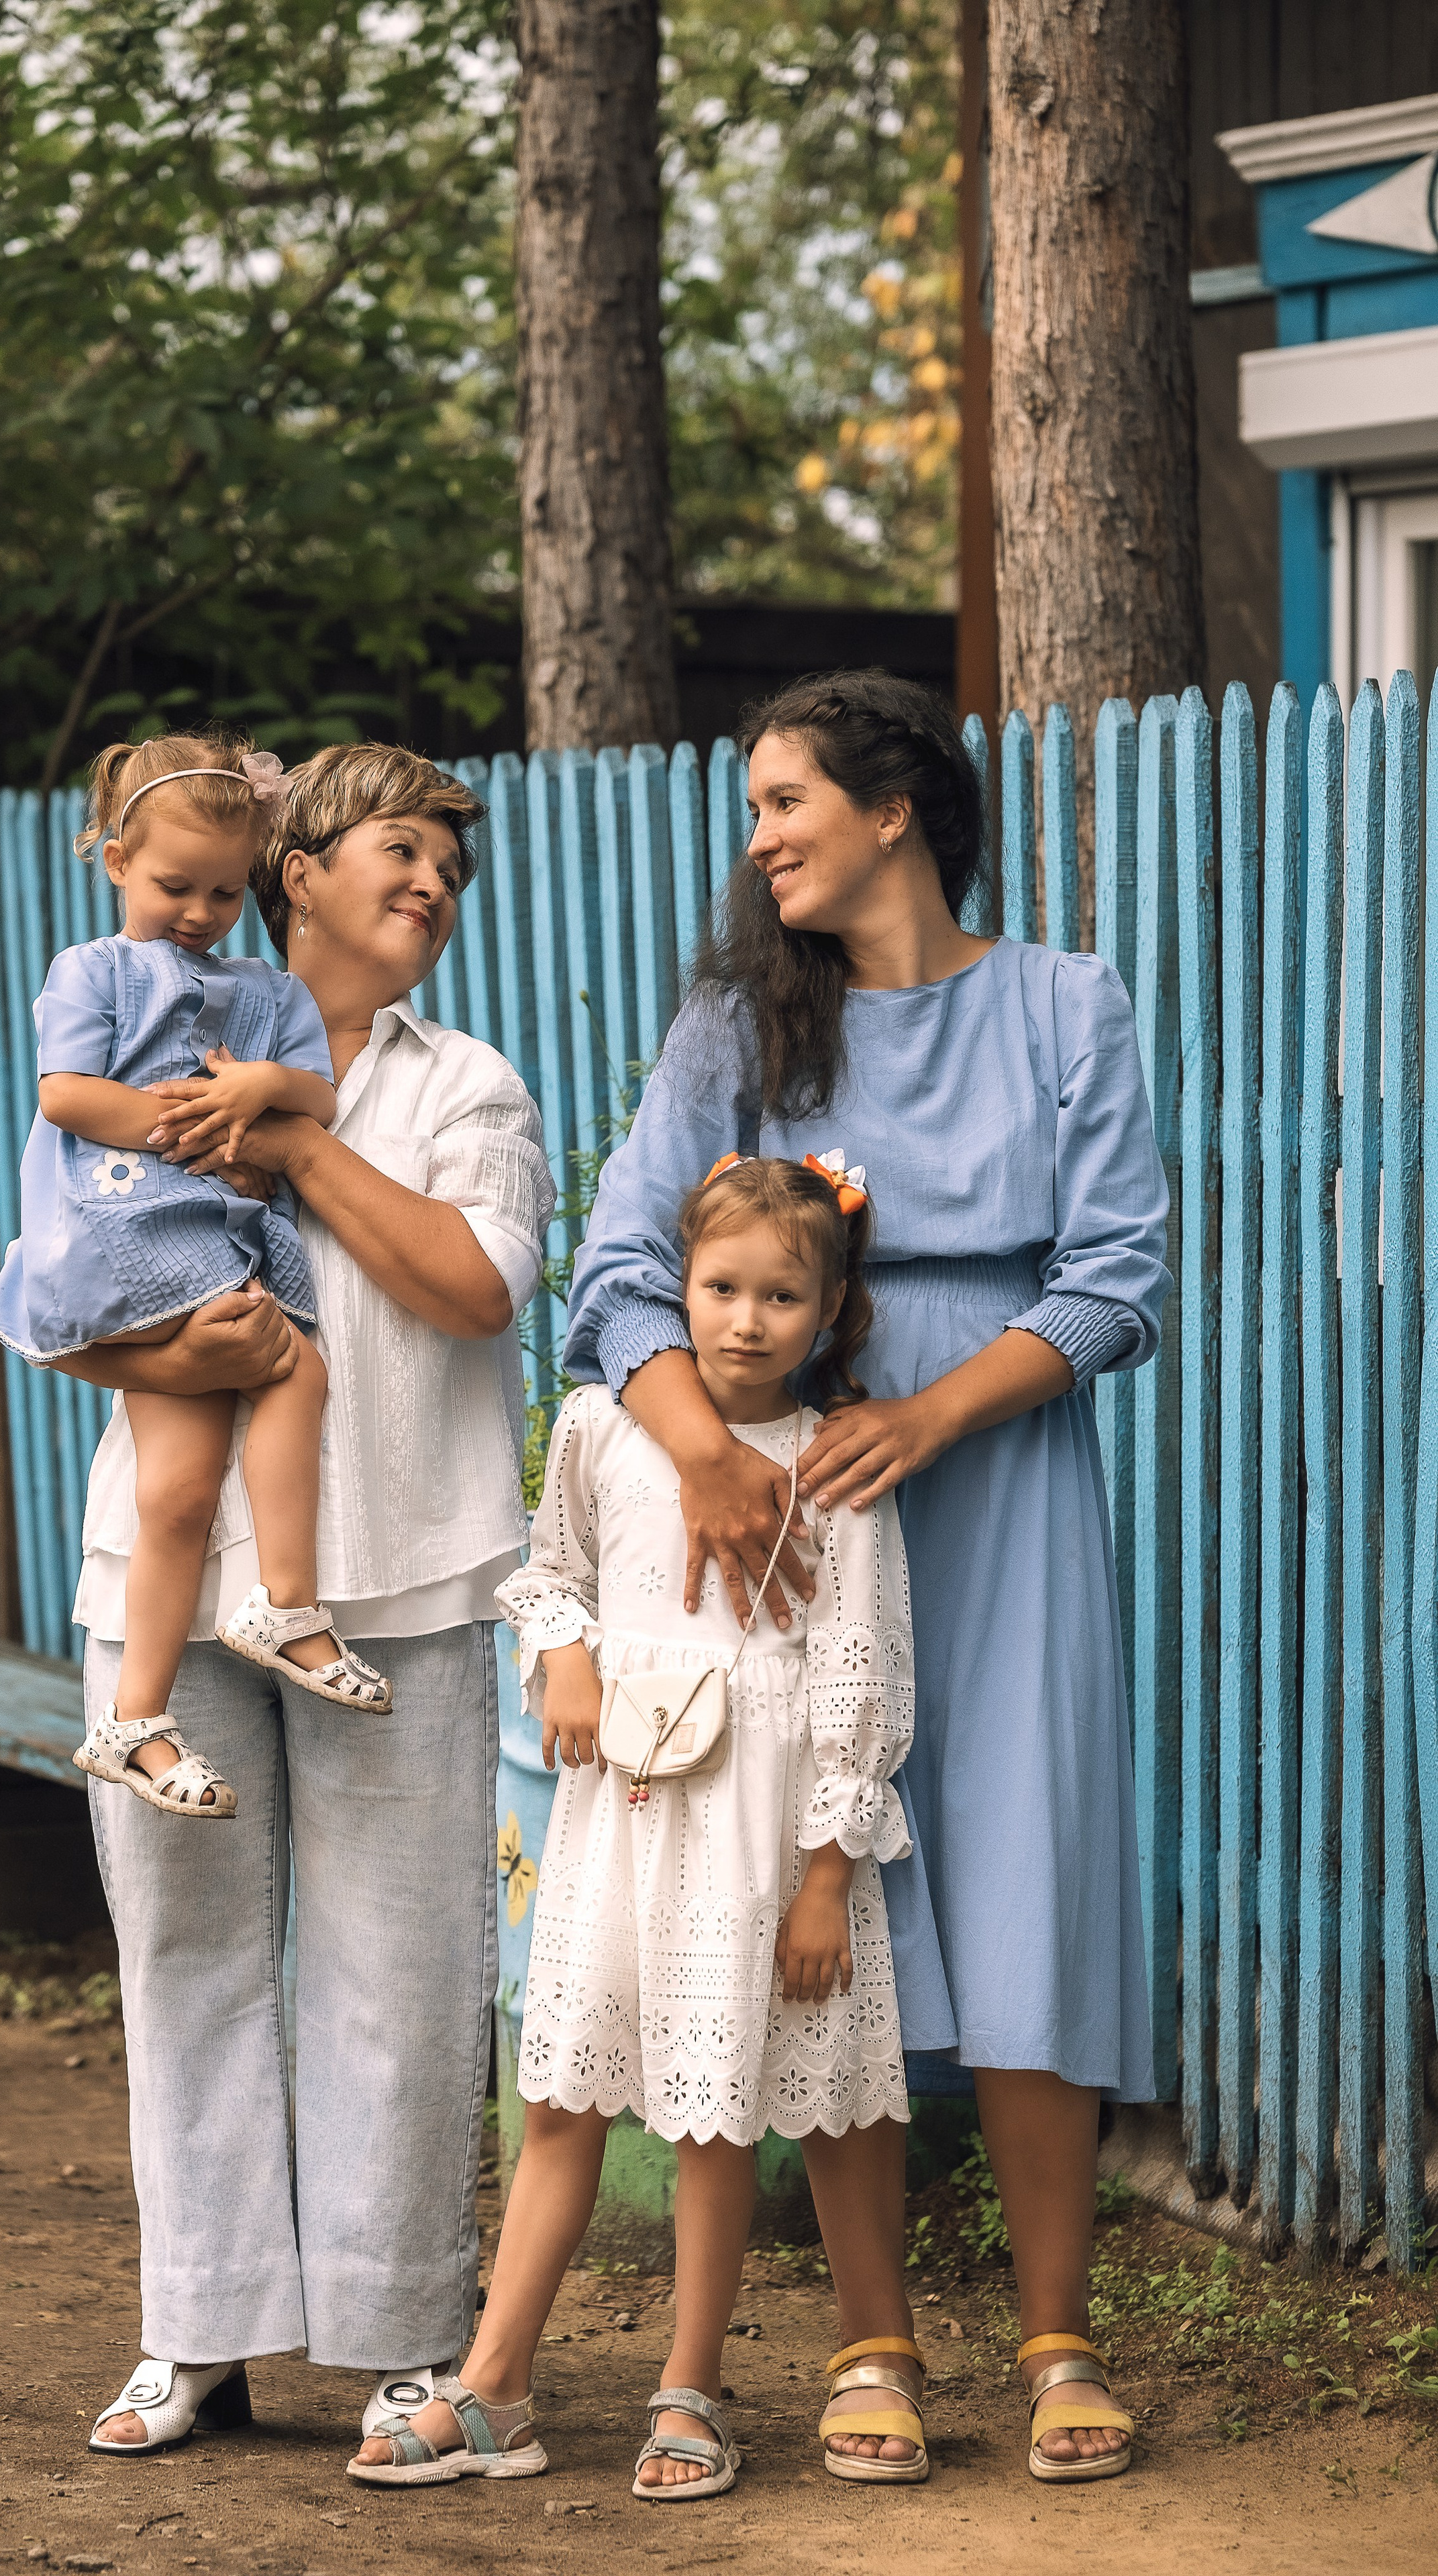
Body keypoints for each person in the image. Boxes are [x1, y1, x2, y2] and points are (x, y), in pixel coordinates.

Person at [561, 669, 1166, 2487]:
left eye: (783, 800)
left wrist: (936, 1412)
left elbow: (1123, 1271)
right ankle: (872, 2342)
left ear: (894, 804)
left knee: (1031, 1867)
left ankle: (1062, 2336)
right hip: (789, 1523)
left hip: (1006, 1491)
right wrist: (707, 1460)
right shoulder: (739, 1031)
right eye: (756, 810)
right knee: (820, 1907)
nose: (760, 840)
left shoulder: (1068, 1002)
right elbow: (610, 1277)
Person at [46, 744, 556, 2456]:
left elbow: (471, 1288)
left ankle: (404, 2323)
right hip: (166, 1582)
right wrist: (154, 1338)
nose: (429, 886)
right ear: (299, 870)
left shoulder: (462, 1084)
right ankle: (197, 2327)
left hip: (397, 1580)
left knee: (400, 1965)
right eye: (398, 852)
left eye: (448, 869)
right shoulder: (139, 1030)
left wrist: (291, 1128)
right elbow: (64, 1286)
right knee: (182, 1951)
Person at [351, 1154, 926, 2500]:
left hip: (758, 1839)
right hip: (623, 1819)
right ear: (676, 1288)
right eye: (720, 1288)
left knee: (712, 2117)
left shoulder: (836, 1466)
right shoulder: (603, 1431)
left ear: (830, 1310)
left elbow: (863, 1682)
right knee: (557, 2100)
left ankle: (688, 2393)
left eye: (781, 1295)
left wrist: (824, 1878)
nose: (743, 1321)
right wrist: (562, 1656)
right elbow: (545, 1571)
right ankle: (493, 2386)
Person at [0, 734, 389, 1830]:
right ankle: (286, 1605)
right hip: (133, 1218)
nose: (199, 911)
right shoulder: (95, 970)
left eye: (221, 889)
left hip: (216, 1228)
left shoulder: (269, 991)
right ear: (117, 861)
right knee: (294, 1372)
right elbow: (67, 1096)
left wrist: (262, 1084)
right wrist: (195, 1127)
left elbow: (318, 1101)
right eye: (174, 886)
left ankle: (135, 1722)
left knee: (177, 1491)